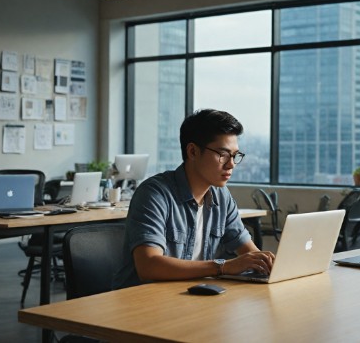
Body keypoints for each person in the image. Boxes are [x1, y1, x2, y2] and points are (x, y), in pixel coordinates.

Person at [113, 109, 274, 289]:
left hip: (189, 297)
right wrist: (224, 266)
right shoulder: (154, 194)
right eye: (223, 154)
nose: (231, 164)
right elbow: (149, 265)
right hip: (140, 303)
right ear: (192, 151)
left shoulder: (222, 196)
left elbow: (249, 252)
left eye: (235, 155)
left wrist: (267, 264)